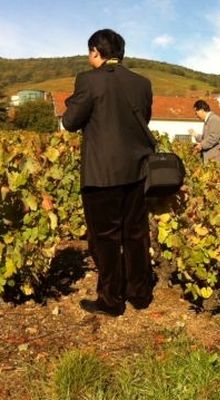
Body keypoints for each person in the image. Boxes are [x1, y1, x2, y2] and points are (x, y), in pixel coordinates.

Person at [62, 29, 154, 316]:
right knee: (136, 234)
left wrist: (71, 105)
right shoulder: (142, 83)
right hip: (138, 170)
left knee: (106, 238)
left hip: (102, 174)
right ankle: (140, 295)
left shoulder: (88, 81)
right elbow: (142, 120)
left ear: (95, 52)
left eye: (89, 53)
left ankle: (111, 301)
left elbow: (70, 122)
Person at [190, 99, 220, 165]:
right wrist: (196, 135)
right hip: (214, 160)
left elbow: (213, 138)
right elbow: (206, 138)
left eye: (196, 113)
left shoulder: (214, 119)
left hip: (219, 160)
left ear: (202, 110)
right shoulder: (208, 120)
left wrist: (201, 145)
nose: (196, 115)